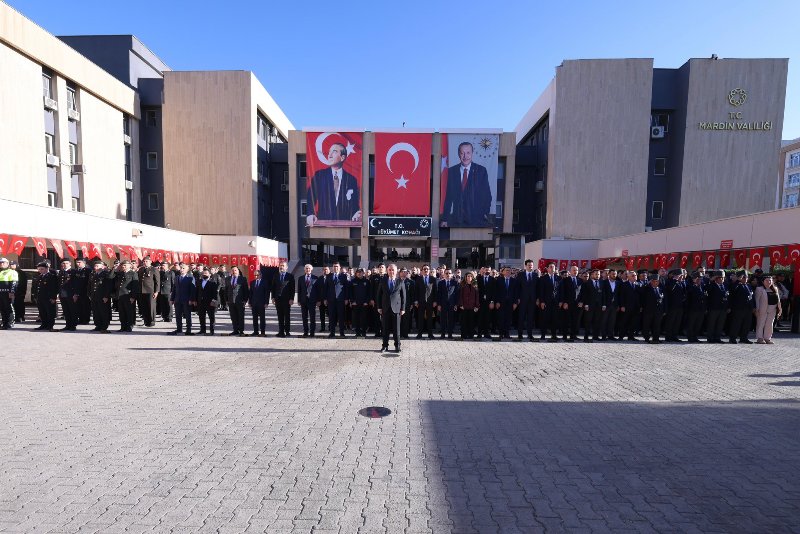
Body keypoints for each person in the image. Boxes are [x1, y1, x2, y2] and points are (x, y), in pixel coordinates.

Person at [306, 142, 361, 225]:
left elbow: (354, 205)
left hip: (345, 226)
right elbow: (310, 198)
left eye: (334, 152)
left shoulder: (351, 179)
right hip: (323, 225)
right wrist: (310, 214)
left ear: (342, 158)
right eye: (329, 152)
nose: (329, 155)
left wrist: (357, 213)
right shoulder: (319, 176)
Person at [440, 142, 491, 227]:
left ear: (472, 153)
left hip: (477, 220)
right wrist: (445, 219)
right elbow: (448, 197)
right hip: (457, 220)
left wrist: (485, 212)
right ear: (458, 154)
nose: (465, 156)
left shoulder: (481, 171)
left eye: (468, 153)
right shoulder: (451, 172)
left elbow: (487, 195)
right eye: (462, 153)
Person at [376, 264, 405, 353]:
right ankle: (385, 346)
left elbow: (404, 296)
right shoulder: (383, 281)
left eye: (393, 270)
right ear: (387, 271)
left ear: (396, 271)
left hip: (396, 309)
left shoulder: (400, 281)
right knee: (385, 329)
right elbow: (379, 295)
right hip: (385, 308)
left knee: (397, 330)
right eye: (389, 270)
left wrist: (403, 308)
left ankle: (397, 346)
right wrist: (379, 307)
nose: (391, 272)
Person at [728, 271, 755, 344]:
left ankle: (744, 338)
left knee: (747, 324)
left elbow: (752, 297)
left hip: (748, 308)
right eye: (744, 277)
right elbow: (732, 290)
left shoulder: (748, 285)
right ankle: (732, 338)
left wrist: (753, 307)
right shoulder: (736, 285)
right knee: (736, 324)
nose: (746, 279)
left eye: (746, 277)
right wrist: (737, 280)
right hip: (738, 308)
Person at [169, 263, 196, 336]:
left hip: (187, 300)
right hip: (178, 299)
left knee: (187, 315)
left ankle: (188, 330)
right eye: (181, 268)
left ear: (187, 270)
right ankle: (179, 329)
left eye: (183, 268)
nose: (182, 270)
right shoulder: (177, 277)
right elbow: (174, 289)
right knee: (178, 315)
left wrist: (191, 299)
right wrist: (172, 299)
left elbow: (192, 290)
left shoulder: (190, 278)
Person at [88, 260, 113, 333]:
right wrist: (89, 294)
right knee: (96, 311)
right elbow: (89, 285)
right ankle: (98, 325)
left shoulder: (106, 274)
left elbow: (108, 286)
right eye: (95, 266)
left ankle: (104, 326)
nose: (95, 267)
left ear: (102, 267)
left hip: (103, 296)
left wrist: (106, 296)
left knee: (103, 311)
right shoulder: (92, 274)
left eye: (97, 266)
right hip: (94, 296)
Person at [516, 260, 538, 341]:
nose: (530, 266)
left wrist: (537, 299)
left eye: (531, 265)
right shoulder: (520, 275)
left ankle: (530, 334)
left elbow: (537, 288)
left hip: (532, 300)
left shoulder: (535, 275)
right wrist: (517, 298)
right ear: (525, 266)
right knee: (521, 317)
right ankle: (520, 334)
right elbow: (517, 287)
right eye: (529, 265)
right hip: (522, 300)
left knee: (530, 318)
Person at [755, 275, 781, 344]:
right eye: (767, 280)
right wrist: (757, 309)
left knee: (770, 324)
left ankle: (767, 338)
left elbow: (778, 300)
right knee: (761, 323)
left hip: (773, 309)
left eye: (770, 280)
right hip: (762, 309)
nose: (769, 282)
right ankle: (760, 338)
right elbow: (757, 300)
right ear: (763, 281)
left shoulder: (775, 288)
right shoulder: (759, 289)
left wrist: (780, 309)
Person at [114, 260, 139, 332]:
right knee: (122, 312)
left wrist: (133, 297)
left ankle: (129, 326)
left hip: (128, 295)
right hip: (120, 295)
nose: (123, 266)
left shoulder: (133, 273)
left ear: (129, 266)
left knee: (129, 312)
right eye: (122, 265)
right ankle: (123, 326)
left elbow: (135, 286)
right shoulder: (120, 273)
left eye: (125, 265)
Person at [326, 262, 349, 338]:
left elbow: (346, 288)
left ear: (340, 268)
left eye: (337, 266)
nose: (335, 268)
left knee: (341, 317)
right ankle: (332, 332)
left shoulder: (343, 276)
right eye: (334, 266)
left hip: (341, 300)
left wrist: (346, 298)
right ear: (332, 267)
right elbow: (326, 288)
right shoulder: (329, 276)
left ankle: (342, 332)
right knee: (331, 317)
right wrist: (325, 299)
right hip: (331, 300)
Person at [271, 261, 295, 337]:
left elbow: (292, 289)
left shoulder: (290, 276)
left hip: (287, 299)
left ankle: (287, 331)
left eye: (283, 266)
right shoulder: (275, 276)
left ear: (286, 267)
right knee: (280, 316)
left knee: (287, 316)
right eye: (280, 266)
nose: (281, 267)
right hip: (278, 299)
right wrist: (273, 297)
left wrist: (291, 298)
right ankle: (281, 331)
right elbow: (273, 287)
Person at [537, 263, 560, 342]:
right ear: (547, 269)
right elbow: (541, 291)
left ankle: (554, 335)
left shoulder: (558, 278)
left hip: (556, 302)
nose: (552, 268)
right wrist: (542, 301)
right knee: (544, 319)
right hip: (546, 302)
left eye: (553, 267)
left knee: (555, 319)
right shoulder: (543, 278)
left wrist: (561, 301)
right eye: (551, 267)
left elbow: (561, 290)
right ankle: (543, 335)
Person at [494, 266, 518, 340]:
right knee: (501, 318)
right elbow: (496, 292)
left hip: (510, 303)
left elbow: (516, 293)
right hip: (501, 303)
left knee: (508, 319)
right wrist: (497, 301)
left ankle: (507, 334)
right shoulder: (498, 280)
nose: (508, 272)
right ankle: (501, 334)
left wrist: (515, 303)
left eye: (509, 270)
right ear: (503, 272)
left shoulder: (514, 280)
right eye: (506, 270)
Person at [581, 269, 605, 342]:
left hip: (599, 305)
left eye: (598, 274)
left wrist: (604, 304)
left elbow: (604, 294)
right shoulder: (587, 283)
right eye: (596, 274)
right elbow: (585, 295)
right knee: (588, 321)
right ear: (592, 275)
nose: (597, 276)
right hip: (589, 305)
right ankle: (586, 337)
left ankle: (595, 336)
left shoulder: (602, 282)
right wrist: (586, 304)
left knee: (597, 321)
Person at [34, 261, 58, 331]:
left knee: (50, 312)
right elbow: (36, 288)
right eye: (39, 269)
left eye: (42, 269)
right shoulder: (40, 276)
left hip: (48, 298)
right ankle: (44, 324)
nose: (40, 270)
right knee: (42, 312)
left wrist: (53, 297)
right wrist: (35, 297)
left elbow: (54, 288)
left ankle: (50, 326)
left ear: (46, 269)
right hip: (40, 298)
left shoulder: (51, 276)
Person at [641, 274, 665, 344]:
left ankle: (656, 338)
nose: (656, 283)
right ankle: (646, 338)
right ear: (651, 282)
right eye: (654, 281)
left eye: (657, 281)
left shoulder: (660, 289)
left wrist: (663, 310)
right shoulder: (647, 289)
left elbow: (662, 299)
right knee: (647, 324)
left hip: (658, 311)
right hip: (648, 310)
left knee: (657, 325)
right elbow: (643, 298)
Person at [705, 270, 729, 343]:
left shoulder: (725, 286)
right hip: (714, 308)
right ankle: (710, 338)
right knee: (711, 324)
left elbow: (728, 296)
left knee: (720, 324)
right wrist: (711, 280)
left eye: (723, 278)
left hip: (723, 308)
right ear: (716, 278)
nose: (722, 279)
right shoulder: (712, 285)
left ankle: (717, 338)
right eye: (720, 278)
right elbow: (706, 288)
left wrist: (727, 307)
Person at [664, 269, 687, 342]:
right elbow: (670, 289)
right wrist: (675, 280)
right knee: (670, 321)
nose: (681, 277)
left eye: (682, 276)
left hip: (680, 306)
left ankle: (674, 336)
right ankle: (668, 337)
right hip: (672, 306)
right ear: (675, 275)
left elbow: (685, 292)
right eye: (680, 276)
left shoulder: (681, 283)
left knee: (677, 322)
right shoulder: (670, 282)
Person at [136, 256, 160, 327]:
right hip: (142, 291)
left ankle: (152, 321)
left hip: (150, 291)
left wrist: (156, 292)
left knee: (151, 307)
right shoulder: (141, 269)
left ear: (150, 262)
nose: (145, 262)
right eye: (144, 261)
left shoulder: (154, 269)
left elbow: (157, 281)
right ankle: (146, 321)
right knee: (144, 307)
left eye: (146, 261)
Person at [559, 266, 581, 342]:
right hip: (567, 304)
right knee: (566, 320)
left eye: (577, 270)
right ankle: (564, 336)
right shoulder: (565, 280)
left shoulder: (580, 280)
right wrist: (564, 302)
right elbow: (563, 292)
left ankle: (573, 335)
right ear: (570, 271)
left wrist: (581, 301)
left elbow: (583, 293)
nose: (575, 271)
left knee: (575, 320)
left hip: (577, 304)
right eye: (574, 270)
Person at [297, 264, 320, 337]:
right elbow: (299, 290)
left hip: (312, 301)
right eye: (306, 268)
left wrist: (318, 300)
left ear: (311, 269)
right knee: (304, 317)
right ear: (304, 269)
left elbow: (317, 290)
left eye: (309, 268)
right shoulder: (300, 278)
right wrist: (299, 300)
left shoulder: (315, 278)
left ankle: (312, 332)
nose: (308, 269)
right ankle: (305, 332)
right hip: (303, 301)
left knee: (312, 317)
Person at [226, 266, 249, 336]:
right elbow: (226, 290)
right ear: (230, 272)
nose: (234, 272)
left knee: (241, 316)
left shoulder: (243, 279)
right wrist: (226, 300)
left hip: (240, 301)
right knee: (233, 317)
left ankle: (241, 331)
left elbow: (246, 290)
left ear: (238, 271)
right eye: (232, 270)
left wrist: (245, 300)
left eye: (235, 270)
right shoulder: (227, 279)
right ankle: (235, 330)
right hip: (231, 301)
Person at [415, 265, 437, 339]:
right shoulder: (418, 279)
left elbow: (435, 291)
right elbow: (416, 291)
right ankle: (420, 334)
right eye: (424, 269)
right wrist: (416, 301)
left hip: (430, 302)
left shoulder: (433, 279)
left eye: (427, 269)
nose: (426, 270)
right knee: (420, 318)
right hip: (421, 302)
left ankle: (430, 334)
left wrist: (435, 301)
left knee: (430, 319)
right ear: (422, 270)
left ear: (429, 270)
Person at [436, 268, 459, 339]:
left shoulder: (455, 283)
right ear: (444, 274)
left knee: (451, 320)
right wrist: (439, 304)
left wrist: (456, 304)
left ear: (452, 274)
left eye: (449, 273)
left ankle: (450, 334)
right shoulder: (440, 283)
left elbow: (456, 294)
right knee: (443, 319)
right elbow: (439, 294)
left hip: (451, 304)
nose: (448, 275)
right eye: (446, 273)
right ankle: (442, 334)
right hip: (443, 304)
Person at [685, 272, 707, 343]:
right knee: (691, 323)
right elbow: (689, 293)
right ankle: (690, 337)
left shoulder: (702, 286)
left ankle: (695, 337)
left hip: (701, 309)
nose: (700, 280)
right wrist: (695, 284)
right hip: (692, 308)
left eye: (701, 278)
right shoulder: (690, 285)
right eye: (698, 278)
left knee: (698, 324)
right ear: (694, 279)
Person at [196, 267, 219, 336]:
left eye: (206, 273)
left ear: (209, 274)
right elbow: (197, 291)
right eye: (203, 273)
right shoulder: (199, 281)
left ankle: (212, 330)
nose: (204, 275)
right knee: (201, 316)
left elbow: (215, 293)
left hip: (210, 302)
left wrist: (214, 301)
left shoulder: (213, 282)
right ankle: (202, 330)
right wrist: (195, 300)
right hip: (201, 302)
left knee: (211, 317)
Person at [619, 270, 641, 341]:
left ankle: (631, 336)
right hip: (627, 307)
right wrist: (622, 306)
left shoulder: (639, 284)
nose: (635, 277)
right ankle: (621, 336)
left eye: (635, 275)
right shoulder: (624, 284)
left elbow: (641, 297)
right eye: (633, 275)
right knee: (624, 322)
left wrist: (640, 306)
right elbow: (621, 296)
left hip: (636, 307)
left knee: (633, 322)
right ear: (628, 277)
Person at [57, 259, 78, 331]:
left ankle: (73, 325)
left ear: (70, 264)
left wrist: (75, 294)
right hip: (62, 294)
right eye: (63, 263)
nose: (65, 265)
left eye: (66, 263)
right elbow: (59, 283)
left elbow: (76, 284)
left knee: (72, 310)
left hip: (70, 294)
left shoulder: (73, 272)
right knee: (66, 311)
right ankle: (68, 325)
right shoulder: (61, 272)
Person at [350, 268, 370, 337]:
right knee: (356, 318)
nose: (359, 273)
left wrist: (366, 301)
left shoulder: (367, 281)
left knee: (364, 318)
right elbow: (351, 293)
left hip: (364, 303)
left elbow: (369, 293)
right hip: (355, 303)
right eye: (358, 272)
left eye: (360, 272)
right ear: (356, 273)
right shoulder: (353, 281)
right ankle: (357, 332)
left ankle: (364, 332)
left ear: (363, 273)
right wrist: (352, 301)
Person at [458, 272, 479, 340]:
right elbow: (460, 295)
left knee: (471, 321)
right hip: (464, 306)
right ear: (465, 277)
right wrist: (461, 304)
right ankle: (464, 335)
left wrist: (477, 306)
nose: (469, 277)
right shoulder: (462, 284)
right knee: (464, 321)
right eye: (468, 276)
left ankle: (470, 335)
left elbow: (477, 296)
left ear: (472, 277)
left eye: (470, 276)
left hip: (472, 306)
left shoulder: (475, 285)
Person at [477, 266, 496, 339]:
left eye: (489, 270)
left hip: (489, 302)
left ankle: (486, 333)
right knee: (480, 318)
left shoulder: (493, 279)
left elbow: (494, 292)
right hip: (480, 302)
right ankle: (479, 333)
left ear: (490, 271)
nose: (487, 271)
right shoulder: (479, 279)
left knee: (487, 318)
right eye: (486, 270)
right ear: (484, 270)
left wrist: (492, 302)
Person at [602, 269, 621, 340]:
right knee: (604, 320)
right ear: (609, 274)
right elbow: (602, 294)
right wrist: (603, 304)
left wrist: (619, 305)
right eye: (613, 274)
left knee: (612, 321)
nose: (614, 275)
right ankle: (603, 335)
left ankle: (611, 335)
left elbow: (619, 295)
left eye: (615, 274)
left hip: (614, 305)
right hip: (606, 304)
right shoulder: (604, 282)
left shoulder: (618, 283)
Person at [249, 269, 269, 336]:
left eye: (257, 275)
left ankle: (262, 331)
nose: (256, 276)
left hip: (262, 303)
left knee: (262, 318)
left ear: (260, 275)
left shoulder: (265, 282)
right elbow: (250, 293)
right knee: (254, 318)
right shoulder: (252, 282)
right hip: (254, 303)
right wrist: (250, 302)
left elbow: (267, 293)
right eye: (255, 275)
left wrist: (266, 302)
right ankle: (255, 331)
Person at [73, 258, 91, 324]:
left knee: (86, 307)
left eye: (79, 262)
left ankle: (86, 320)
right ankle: (80, 319)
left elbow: (89, 282)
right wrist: (75, 292)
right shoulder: (75, 271)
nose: (77, 264)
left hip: (85, 291)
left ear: (84, 263)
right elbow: (74, 282)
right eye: (77, 262)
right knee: (79, 306)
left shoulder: (88, 270)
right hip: (77, 291)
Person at [0, 257, 18, 329]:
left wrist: (12, 292)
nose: (1, 264)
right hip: (0, 293)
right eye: (0, 263)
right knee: (2, 309)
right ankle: (4, 323)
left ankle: (10, 323)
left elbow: (14, 283)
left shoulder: (12, 272)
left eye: (3, 262)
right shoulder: (0, 272)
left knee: (9, 308)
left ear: (7, 263)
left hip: (7, 293)